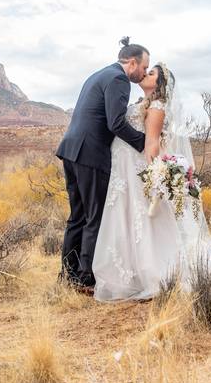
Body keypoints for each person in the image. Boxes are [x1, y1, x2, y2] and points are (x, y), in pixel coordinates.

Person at [91, 63, 211, 302]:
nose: (145, 74)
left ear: (161, 84)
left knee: (145, 222)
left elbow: (152, 143)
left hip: (137, 170)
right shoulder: (144, 104)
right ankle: (135, 274)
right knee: (135, 221)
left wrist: (154, 176)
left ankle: (155, 275)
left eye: (151, 73)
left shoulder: (157, 106)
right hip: (124, 169)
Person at [55, 37, 149, 293]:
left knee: (77, 217)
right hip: (91, 154)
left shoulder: (99, 74)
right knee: (94, 217)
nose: (143, 73)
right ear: (132, 62)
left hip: (71, 150)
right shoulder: (119, 80)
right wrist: (145, 142)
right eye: (143, 67)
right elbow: (115, 123)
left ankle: (68, 274)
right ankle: (86, 279)